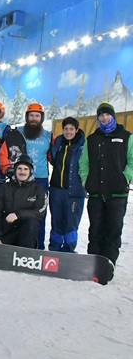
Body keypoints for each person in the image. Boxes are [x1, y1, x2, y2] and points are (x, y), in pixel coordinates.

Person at [79, 102, 133, 265]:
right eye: (101, 115)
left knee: (113, 230)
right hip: (96, 194)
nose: (104, 118)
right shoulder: (92, 139)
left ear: (113, 116)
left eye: (107, 115)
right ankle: (93, 262)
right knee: (95, 230)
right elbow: (84, 163)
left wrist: (125, 178)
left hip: (117, 194)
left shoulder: (126, 136)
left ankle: (108, 263)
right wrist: (85, 180)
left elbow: (132, 160)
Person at [0, 103, 54, 249]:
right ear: (26, 117)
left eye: (37, 116)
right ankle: (15, 245)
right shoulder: (17, 133)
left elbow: (53, 157)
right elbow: (4, 153)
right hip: (19, 178)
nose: (34, 119)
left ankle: (38, 247)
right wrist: (8, 169)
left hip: (40, 180)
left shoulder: (48, 136)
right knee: (14, 212)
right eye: (31, 115)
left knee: (38, 215)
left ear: (41, 118)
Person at [0, 155, 47, 248]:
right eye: (19, 168)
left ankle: (26, 255)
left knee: (32, 222)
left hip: (26, 234)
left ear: (30, 172)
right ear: (15, 170)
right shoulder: (4, 188)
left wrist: (18, 214)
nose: (22, 172)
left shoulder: (38, 189)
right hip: (7, 232)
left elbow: (39, 212)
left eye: (25, 169)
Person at [48, 117, 86, 252]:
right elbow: (52, 159)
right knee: (56, 221)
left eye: (71, 129)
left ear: (76, 130)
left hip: (75, 192)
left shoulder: (83, 146)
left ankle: (69, 250)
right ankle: (54, 248)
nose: (68, 132)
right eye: (66, 129)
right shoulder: (58, 143)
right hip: (57, 189)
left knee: (71, 224)